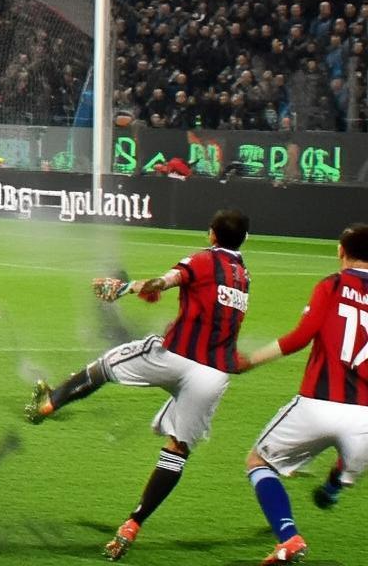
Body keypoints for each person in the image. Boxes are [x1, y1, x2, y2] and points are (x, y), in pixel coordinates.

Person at [24, 208, 251, 561]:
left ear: (211, 234)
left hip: (174, 356)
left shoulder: (203, 260)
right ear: (244, 239)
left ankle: (50, 403)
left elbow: (163, 282)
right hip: (212, 374)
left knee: (105, 366)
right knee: (177, 450)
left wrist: (124, 289)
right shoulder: (243, 276)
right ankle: (133, 524)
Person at [239, 223, 368, 566]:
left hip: (316, 406)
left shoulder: (333, 284)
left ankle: (288, 537)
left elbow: (301, 336)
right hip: (365, 418)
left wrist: (250, 360)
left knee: (258, 462)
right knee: (352, 452)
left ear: (341, 251)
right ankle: (336, 482)